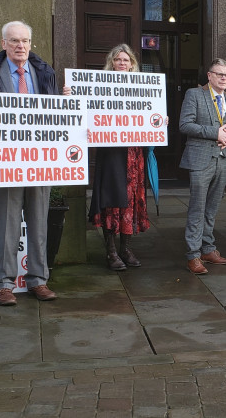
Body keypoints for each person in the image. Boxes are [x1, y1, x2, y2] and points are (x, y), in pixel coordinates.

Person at [0, 21, 59, 305]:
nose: (20, 46)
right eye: (14, 41)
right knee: (7, 223)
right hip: (5, 161)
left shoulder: (45, 72)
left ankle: (38, 280)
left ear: (31, 44)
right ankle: (4, 284)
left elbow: (57, 114)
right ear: (3, 43)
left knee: (39, 221)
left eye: (25, 41)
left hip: (41, 159)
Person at [65, 44, 160, 271]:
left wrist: (159, 122)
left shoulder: (143, 88)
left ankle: (125, 249)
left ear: (132, 65)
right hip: (111, 153)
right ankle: (111, 251)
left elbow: (151, 112)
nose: (122, 63)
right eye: (118, 60)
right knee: (110, 200)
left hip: (134, 153)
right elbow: (82, 109)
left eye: (126, 60)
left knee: (131, 200)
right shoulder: (98, 85)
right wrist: (70, 96)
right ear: (111, 63)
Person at [179, 59, 226, 274]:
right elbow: (185, 124)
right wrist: (215, 133)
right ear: (209, 76)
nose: (224, 78)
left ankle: (208, 248)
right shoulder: (194, 95)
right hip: (200, 160)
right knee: (197, 208)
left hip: (222, 160)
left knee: (212, 209)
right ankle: (193, 255)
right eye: (219, 74)